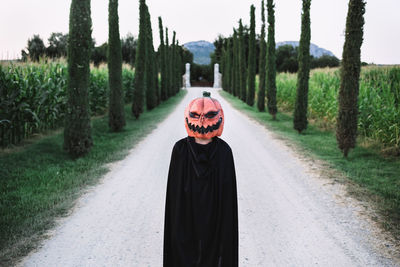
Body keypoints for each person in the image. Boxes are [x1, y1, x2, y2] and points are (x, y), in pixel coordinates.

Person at [163, 91, 238, 267]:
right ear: (188, 117)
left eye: (210, 115)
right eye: (196, 116)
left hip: (215, 223)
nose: (202, 121)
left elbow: (228, 203)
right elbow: (174, 200)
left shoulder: (224, 153)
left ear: (219, 117)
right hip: (185, 222)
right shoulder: (180, 151)